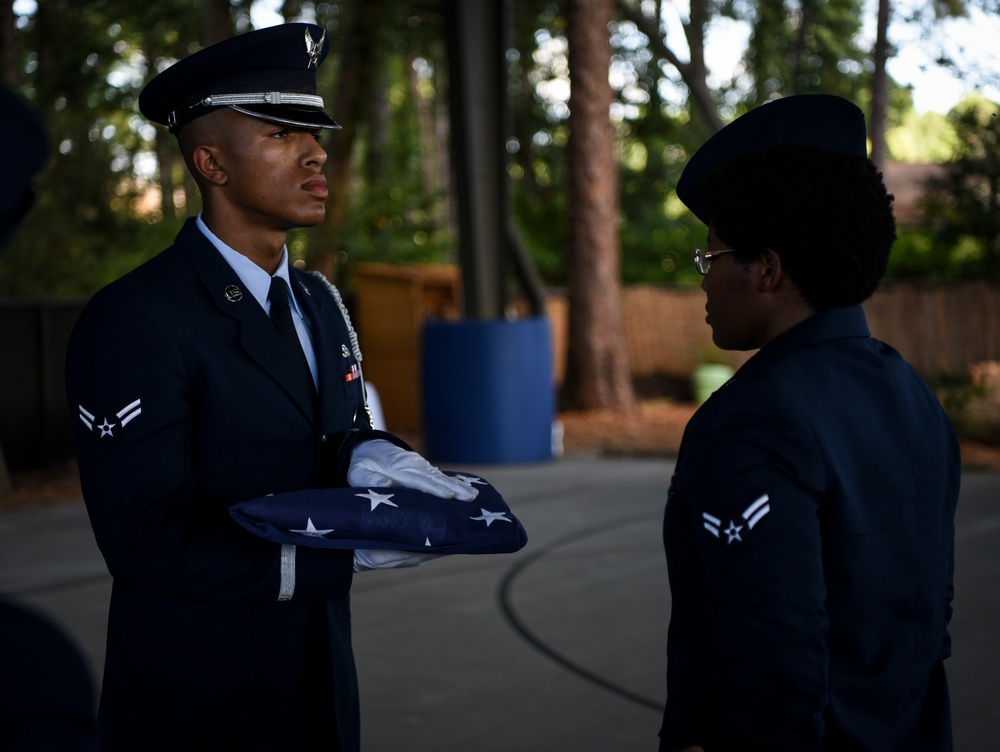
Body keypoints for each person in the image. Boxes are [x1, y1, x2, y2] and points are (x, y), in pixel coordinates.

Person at [65, 23, 477, 752]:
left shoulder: (318, 300)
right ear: (211, 163)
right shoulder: (136, 318)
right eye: (282, 132)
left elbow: (331, 431)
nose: (315, 151)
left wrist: (380, 461)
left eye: (313, 131)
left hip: (319, 685)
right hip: (197, 699)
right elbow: (145, 538)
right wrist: (335, 555)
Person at [660, 94, 960, 751]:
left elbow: (771, 671)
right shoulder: (911, 393)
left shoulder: (748, 423)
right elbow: (925, 622)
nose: (704, 282)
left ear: (766, 269)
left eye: (711, 258)